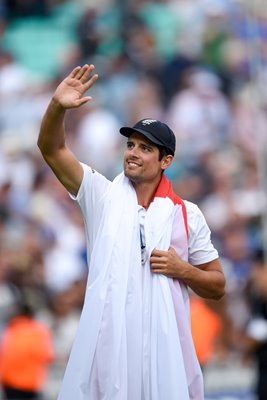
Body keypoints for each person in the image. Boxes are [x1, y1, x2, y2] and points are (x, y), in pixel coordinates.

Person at [37, 64, 225, 400]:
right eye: (131, 145)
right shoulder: (102, 196)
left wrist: (183, 270)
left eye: (145, 148)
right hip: (108, 356)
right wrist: (56, 107)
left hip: (164, 358)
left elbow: (217, 285)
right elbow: (52, 150)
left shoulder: (187, 214)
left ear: (166, 161)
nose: (133, 154)